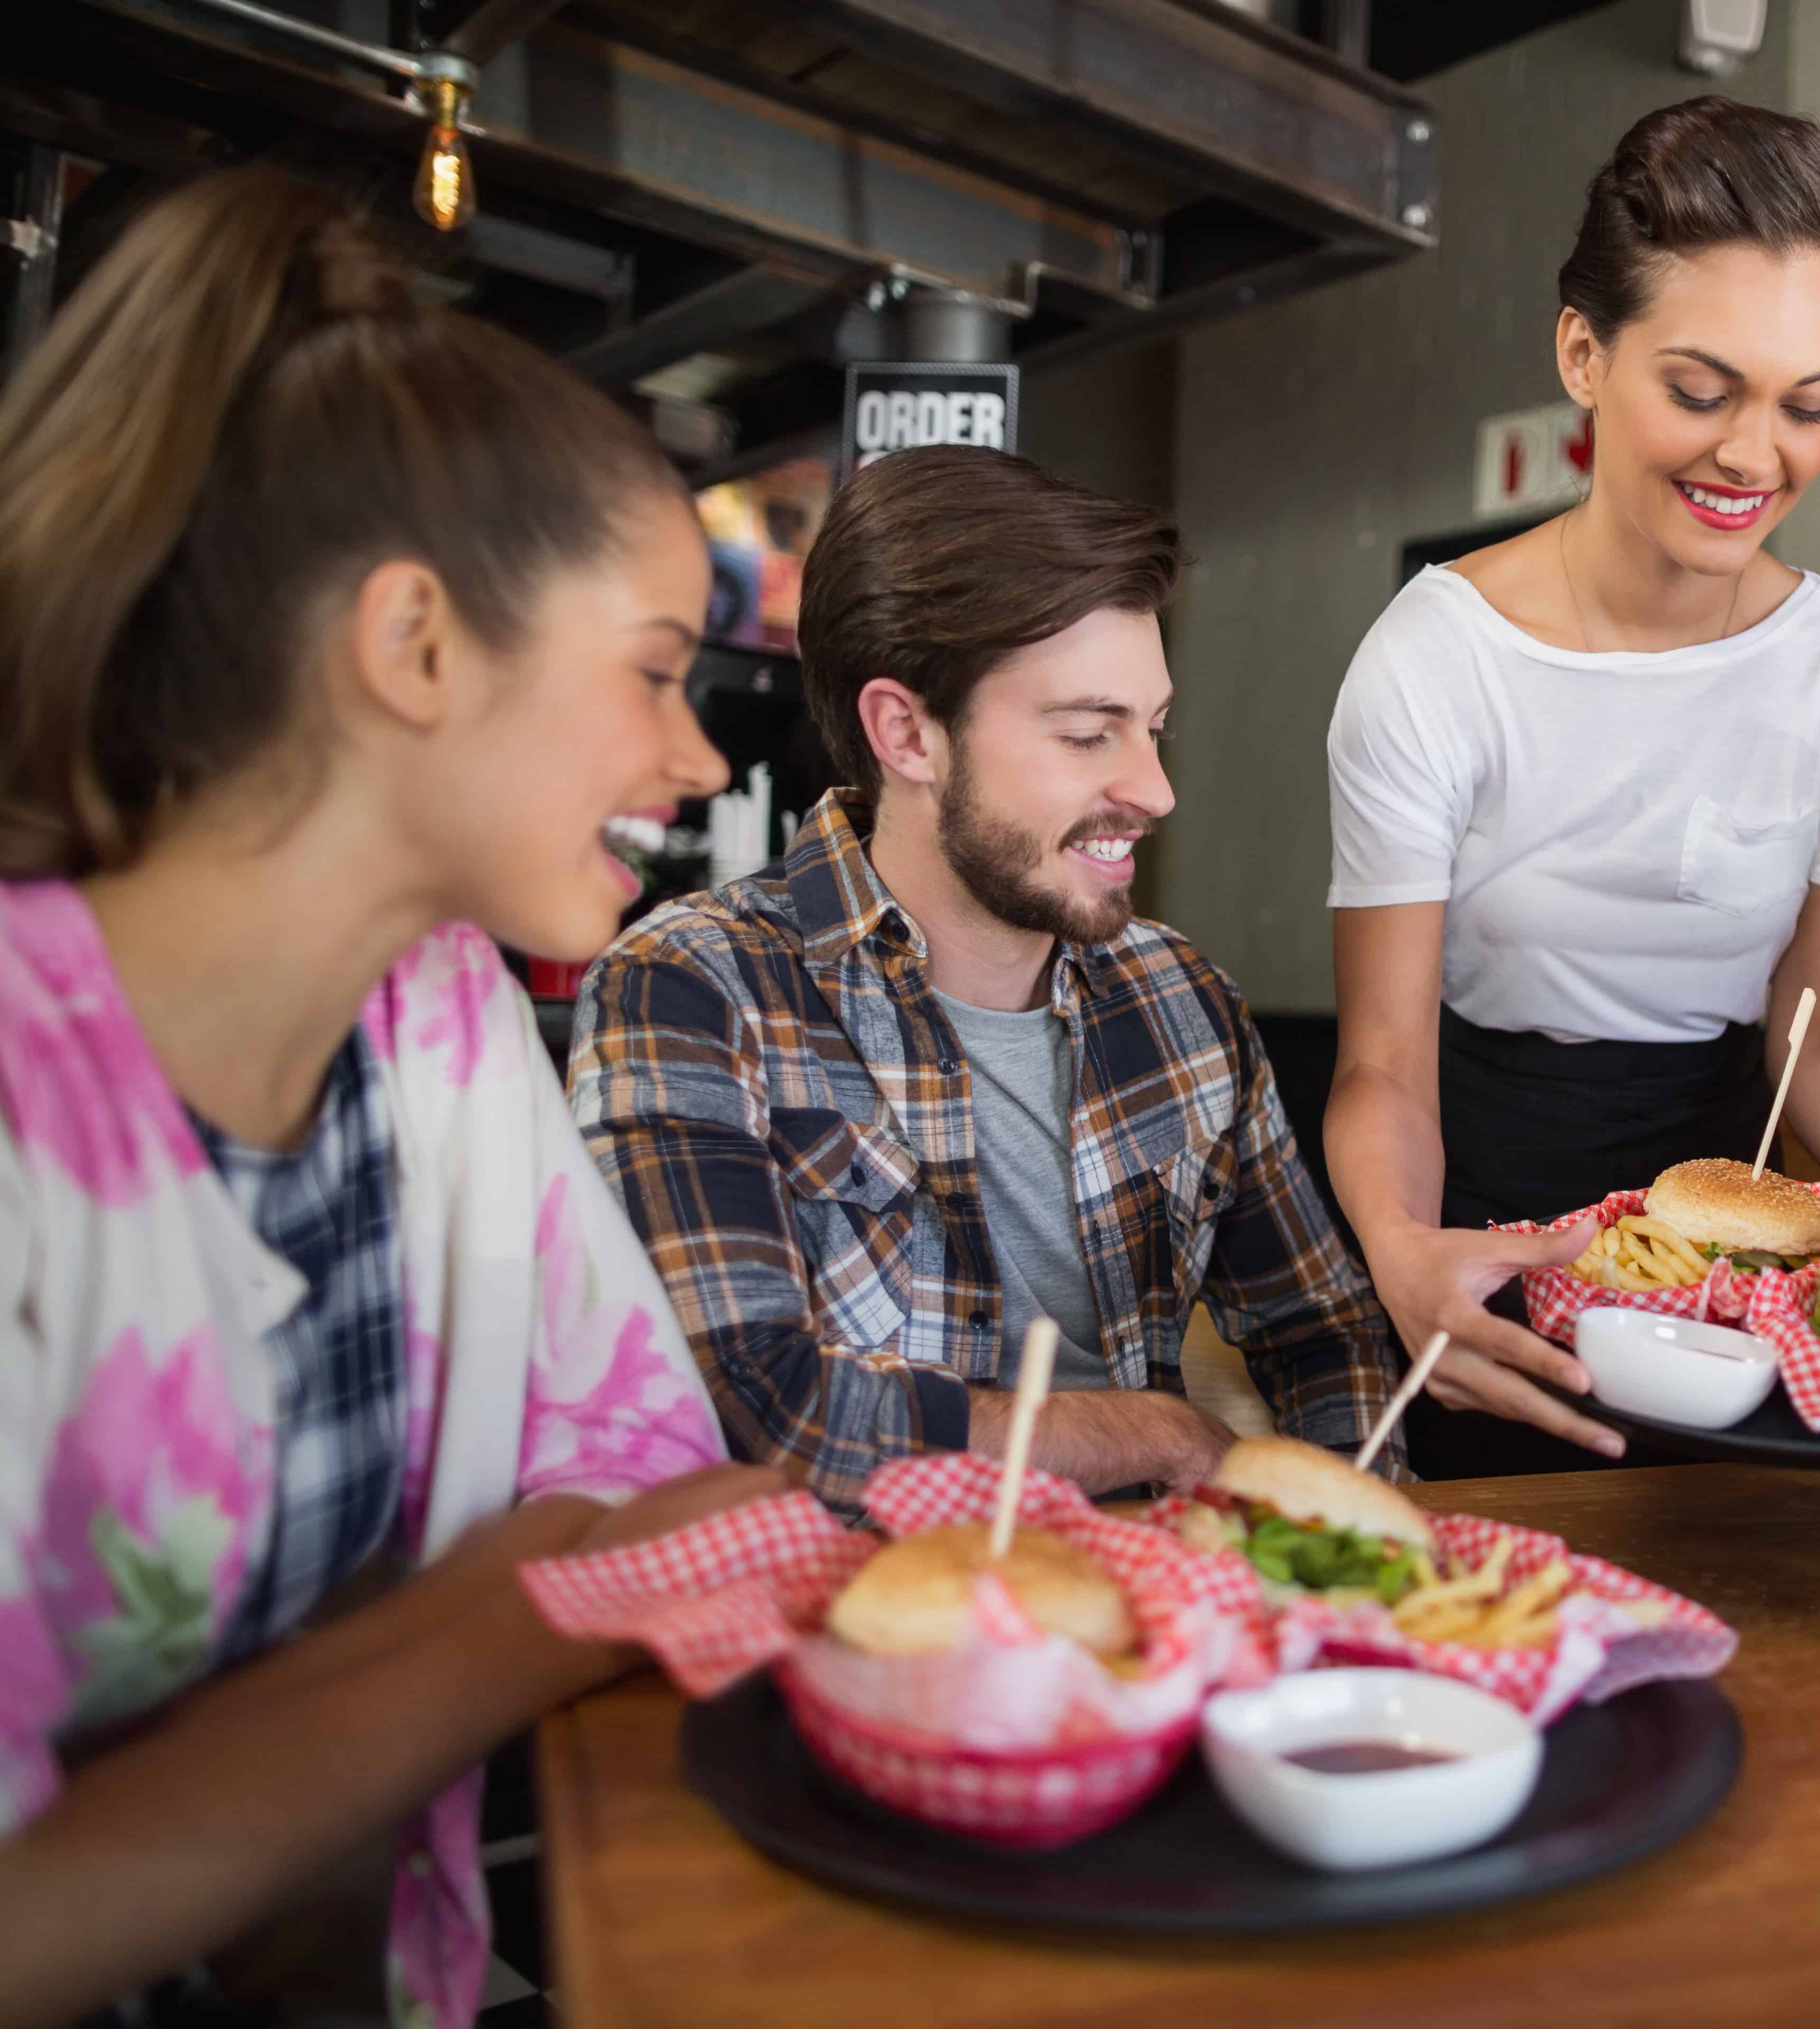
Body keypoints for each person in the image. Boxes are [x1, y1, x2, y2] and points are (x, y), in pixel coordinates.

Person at [0, 168, 783, 2026]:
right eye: (660, 675)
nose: (691, 756)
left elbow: (646, 1484)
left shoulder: (434, 1013)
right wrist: (519, 1604)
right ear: (416, 646)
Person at [1326, 97, 1820, 1479]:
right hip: (1491, 1198)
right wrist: (1406, 1255)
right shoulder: (1433, 659)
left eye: (1806, 404)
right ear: (1583, 353)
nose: (1755, 456)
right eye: (1702, 392)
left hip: (1746, 1226)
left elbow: (1816, 1038)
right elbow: (1385, 1063)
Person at [573, 446, 1407, 1511]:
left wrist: (1348, 1557)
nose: (1154, 790)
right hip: (849, 1628)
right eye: (1086, 732)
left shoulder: (1182, 1000)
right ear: (906, 732)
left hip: (1172, 1628)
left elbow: (1320, 1332)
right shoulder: (691, 988)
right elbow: (756, 1406)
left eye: (1152, 729)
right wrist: (1152, 1432)